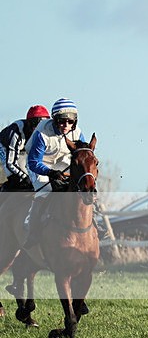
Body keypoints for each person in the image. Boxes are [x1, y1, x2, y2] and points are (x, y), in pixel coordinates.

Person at [23, 98, 85, 246]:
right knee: (44, 192)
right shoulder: (42, 133)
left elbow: (82, 154)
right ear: (55, 120)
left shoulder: (77, 133)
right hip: (39, 164)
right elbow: (33, 162)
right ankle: (33, 231)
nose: (66, 126)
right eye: (62, 121)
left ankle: (95, 222)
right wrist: (50, 173)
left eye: (70, 122)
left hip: (62, 162)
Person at [0, 105, 50, 192]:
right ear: (29, 123)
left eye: (43, 125)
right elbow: (10, 163)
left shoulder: (45, 133)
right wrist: (25, 177)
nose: (39, 129)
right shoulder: (15, 132)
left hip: (23, 149)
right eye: (36, 124)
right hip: (5, 148)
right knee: (17, 178)